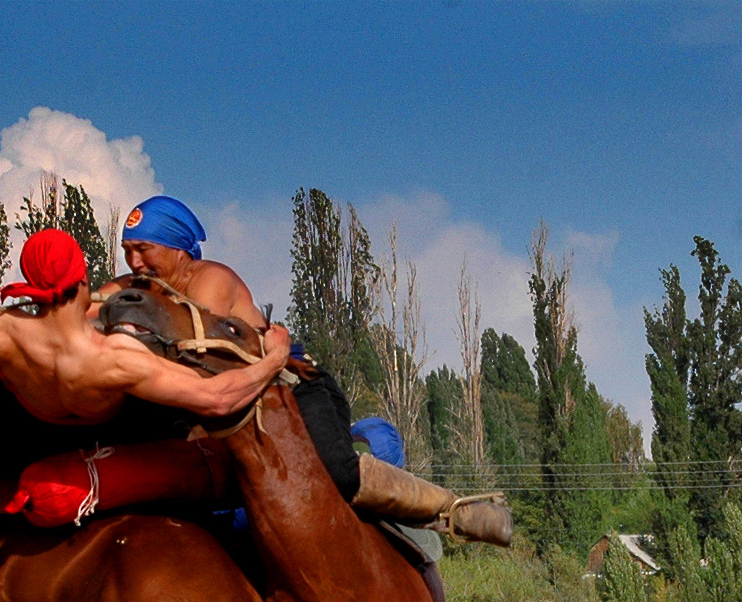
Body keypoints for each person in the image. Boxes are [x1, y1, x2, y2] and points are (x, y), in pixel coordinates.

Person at [98, 195, 512, 547]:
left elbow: (195, 359)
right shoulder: (136, 289)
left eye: (144, 249)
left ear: (177, 248)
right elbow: (91, 305)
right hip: (226, 405)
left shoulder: (210, 281)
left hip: (294, 384)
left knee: (338, 474)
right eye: (127, 249)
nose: (134, 261)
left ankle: (454, 511)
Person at [0, 227, 290, 582]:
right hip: (104, 431)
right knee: (176, 405)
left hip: (27, 434)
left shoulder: (3, 332)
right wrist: (274, 358)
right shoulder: (115, 355)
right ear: (83, 279)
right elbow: (219, 398)